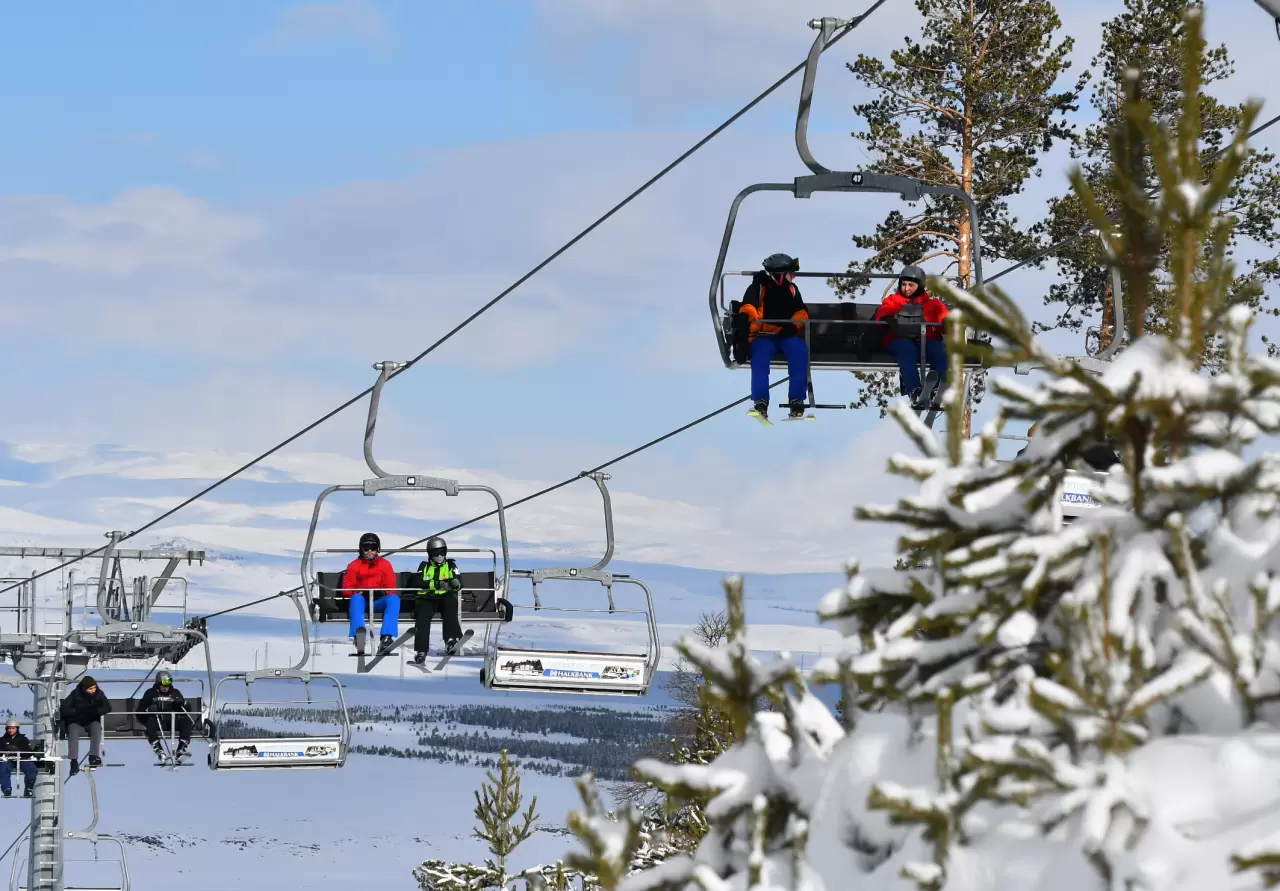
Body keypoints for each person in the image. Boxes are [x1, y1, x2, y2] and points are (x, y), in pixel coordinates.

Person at [737, 253, 810, 422]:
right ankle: (761, 402)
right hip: (763, 336)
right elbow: (748, 310)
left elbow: (801, 312)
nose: (794, 277)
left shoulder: (792, 290)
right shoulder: (758, 288)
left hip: (785, 334)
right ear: (780, 275)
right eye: (791, 273)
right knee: (760, 357)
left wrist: (793, 326)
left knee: (799, 351)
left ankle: (796, 400)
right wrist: (741, 339)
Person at [873, 265, 950, 407]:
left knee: (940, 350)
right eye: (903, 284)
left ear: (919, 286)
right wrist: (887, 319)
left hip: (926, 339)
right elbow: (882, 313)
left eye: (911, 285)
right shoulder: (893, 301)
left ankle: (934, 389)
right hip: (899, 340)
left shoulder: (933, 304)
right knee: (906, 349)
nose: (906, 289)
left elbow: (944, 317)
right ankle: (915, 390)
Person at [341, 532, 400, 656]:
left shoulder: (385, 565)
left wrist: (382, 592)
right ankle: (359, 635)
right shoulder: (354, 566)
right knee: (356, 598)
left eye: (373, 549)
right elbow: (346, 589)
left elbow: (391, 588)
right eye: (366, 549)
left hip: (378, 601)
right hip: (362, 601)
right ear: (361, 549)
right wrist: (359, 592)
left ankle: (386, 637)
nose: (369, 552)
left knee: (393, 599)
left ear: (377, 549)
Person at [412, 536, 463, 666]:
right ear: (430, 554)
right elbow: (417, 581)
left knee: (451, 603)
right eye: (436, 553)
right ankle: (421, 651)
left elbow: (459, 581)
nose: (440, 556)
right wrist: (436, 584)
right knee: (423, 614)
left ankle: (451, 639)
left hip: (445, 597)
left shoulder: (450, 565)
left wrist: (455, 582)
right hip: (427, 598)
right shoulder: (424, 566)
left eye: (442, 553)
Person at [59, 675, 110, 775]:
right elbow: (64, 708)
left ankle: (93, 756)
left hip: (91, 721)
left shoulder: (99, 694)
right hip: (77, 721)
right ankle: (73, 761)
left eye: (94, 687)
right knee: (73, 733)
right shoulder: (75, 694)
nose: (93, 690)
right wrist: (77, 712)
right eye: (90, 688)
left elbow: (107, 707)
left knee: (96, 729)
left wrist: (95, 711)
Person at [139, 670, 193, 762]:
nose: (166, 687)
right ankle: (159, 750)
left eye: (168, 684)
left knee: (186, 721)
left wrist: (182, 703)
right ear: (158, 684)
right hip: (157, 721)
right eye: (163, 685)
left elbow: (187, 710)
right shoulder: (150, 693)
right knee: (150, 722)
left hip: (172, 720)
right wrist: (149, 709)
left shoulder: (175, 693)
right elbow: (140, 711)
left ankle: (181, 749)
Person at [0, 718, 38, 798]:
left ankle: (28, 788)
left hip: (21, 759)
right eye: (9, 728)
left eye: (13, 728)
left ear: (17, 729)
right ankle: (6, 789)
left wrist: (19, 751)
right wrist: (7, 750)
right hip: (8, 760)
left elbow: (28, 751)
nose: (10, 730)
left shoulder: (23, 739)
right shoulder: (2, 740)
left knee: (31, 769)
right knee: (3, 768)